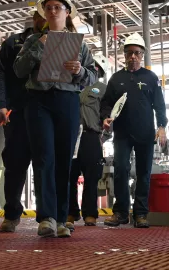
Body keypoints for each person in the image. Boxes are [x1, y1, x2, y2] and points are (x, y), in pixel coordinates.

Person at [14, 0, 97, 238]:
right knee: (44, 159)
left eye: (57, 7)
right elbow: (18, 70)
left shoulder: (79, 44)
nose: (52, 11)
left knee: (63, 160)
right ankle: (46, 218)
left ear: (67, 11)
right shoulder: (31, 41)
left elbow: (92, 76)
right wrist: (39, 46)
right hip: (38, 102)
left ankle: (62, 218)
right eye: (48, 7)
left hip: (67, 101)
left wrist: (80, 71)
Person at [100, 33, 167, 229]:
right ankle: (120, 213)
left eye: (137, 53)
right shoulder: (116, 79)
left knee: (143, 173)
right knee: (120, 169)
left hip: (146, 133)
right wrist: (105, 117)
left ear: (142, 54)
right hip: (122, 133)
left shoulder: (151, 77)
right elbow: (106, 104)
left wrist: (161, 126)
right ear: (124, 54)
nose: (133, 57)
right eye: (129, 53)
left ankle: (140, 214)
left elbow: (160, 106)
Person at [0, 11, 46, 233]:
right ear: (34, 18)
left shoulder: (59, 42)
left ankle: (47, 216)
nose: (48, 18)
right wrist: (0, 105)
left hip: (45, 114)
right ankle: (12, 213)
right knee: (14, 164)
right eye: (43, 14)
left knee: (45, 165)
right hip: (18, 113)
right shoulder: (13, 43)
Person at [66, 54, 108, 230]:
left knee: (92, 177)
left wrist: (104, 133)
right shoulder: (70, 85)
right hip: (71, 135)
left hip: (91, 135)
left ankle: (90, 213)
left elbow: (108, 112)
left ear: (97, 69)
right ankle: (70, 211)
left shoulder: (103, 89)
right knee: (69, 175)